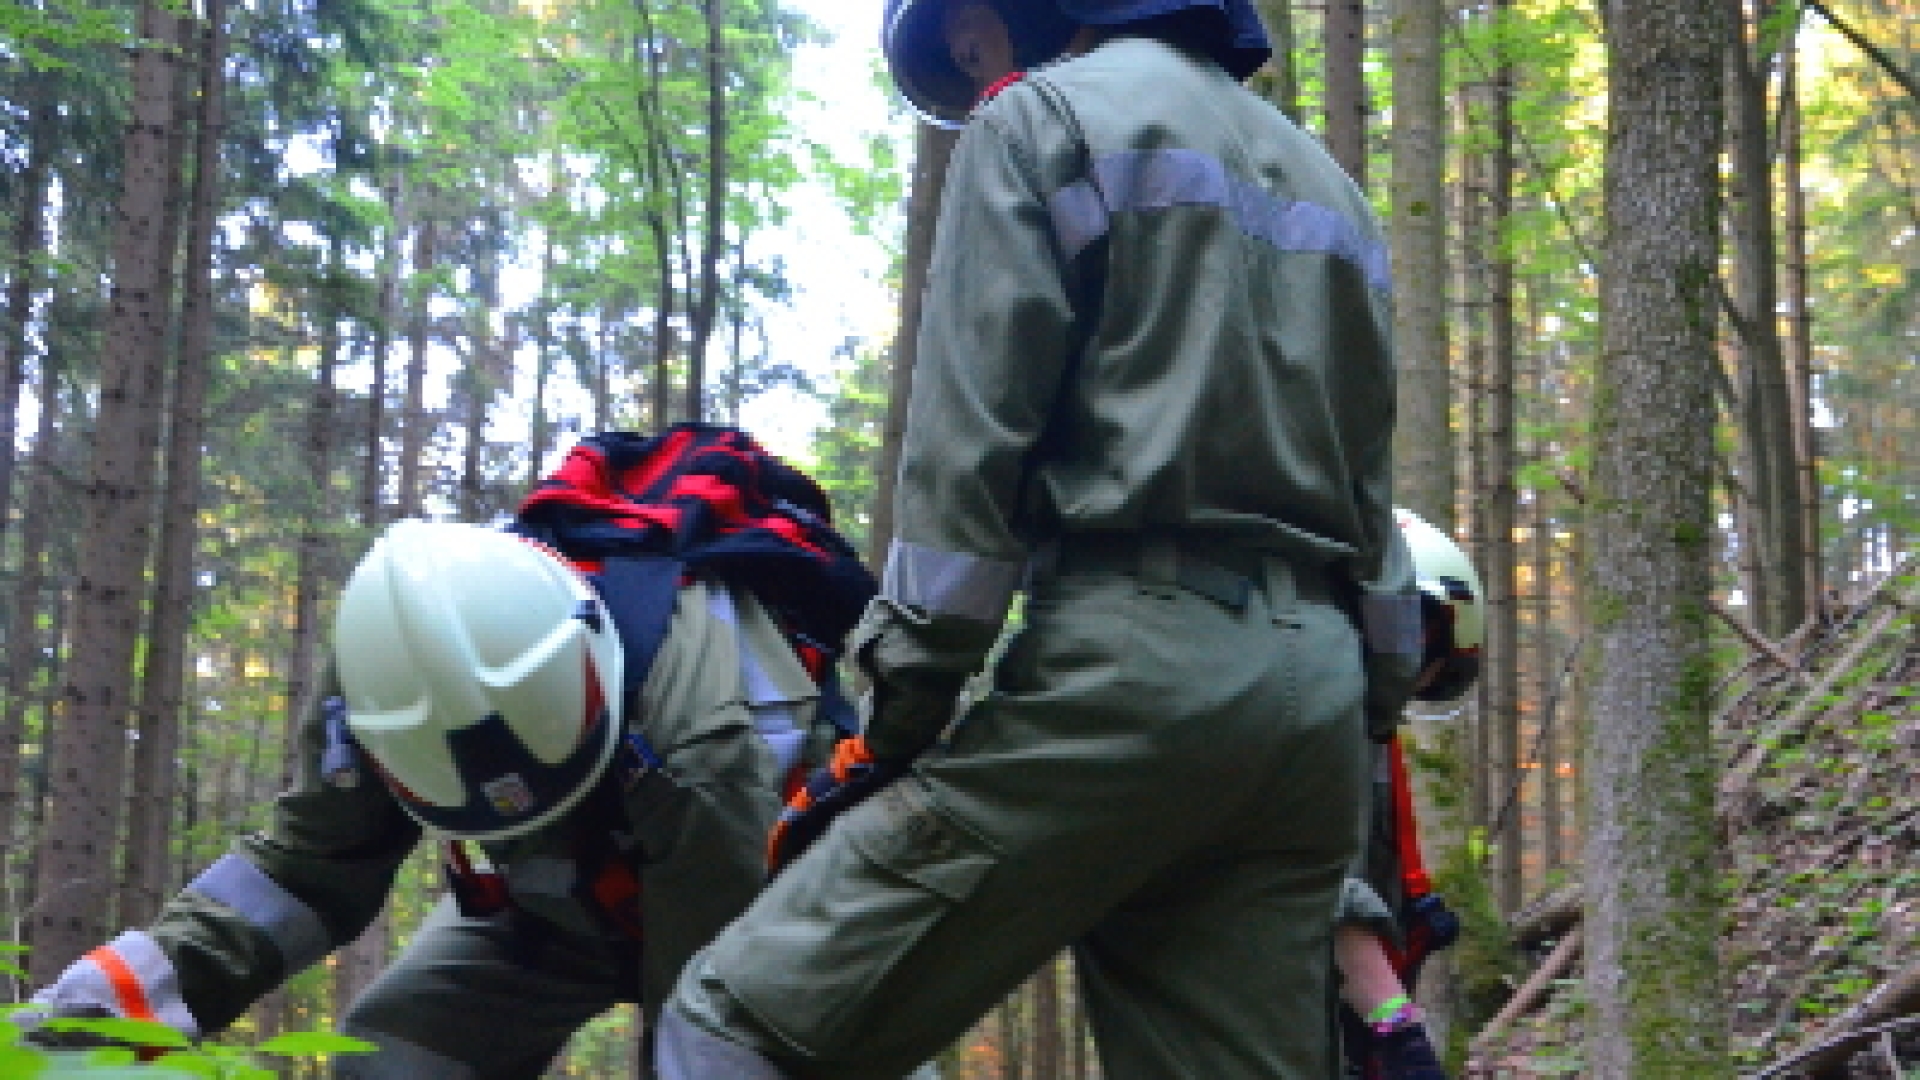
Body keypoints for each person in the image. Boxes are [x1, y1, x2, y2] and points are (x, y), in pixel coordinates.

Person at [653, 2, 1424, 1077]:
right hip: (1312, 714)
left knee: (736, 1020)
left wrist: (895, 718)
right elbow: (1374, 500)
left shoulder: (1041, 124)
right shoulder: (1331, 186)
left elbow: (970, 452)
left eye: (971, 50)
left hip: (1133, 676)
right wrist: (1365, 709)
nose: (974, 80)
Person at [19, 426, 877, 1078]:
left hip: (759, 915)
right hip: (551, 906)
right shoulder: (380, 673)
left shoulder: (708, 748)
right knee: (385, 1059)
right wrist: (82, 1027)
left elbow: (719, 1017)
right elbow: (299, 872)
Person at [1334, 509, 1486, 1080]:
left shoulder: (1367, 730)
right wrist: (1399, 1031)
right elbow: (1318, 889)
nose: (1419, 675)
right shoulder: (1318, 724)